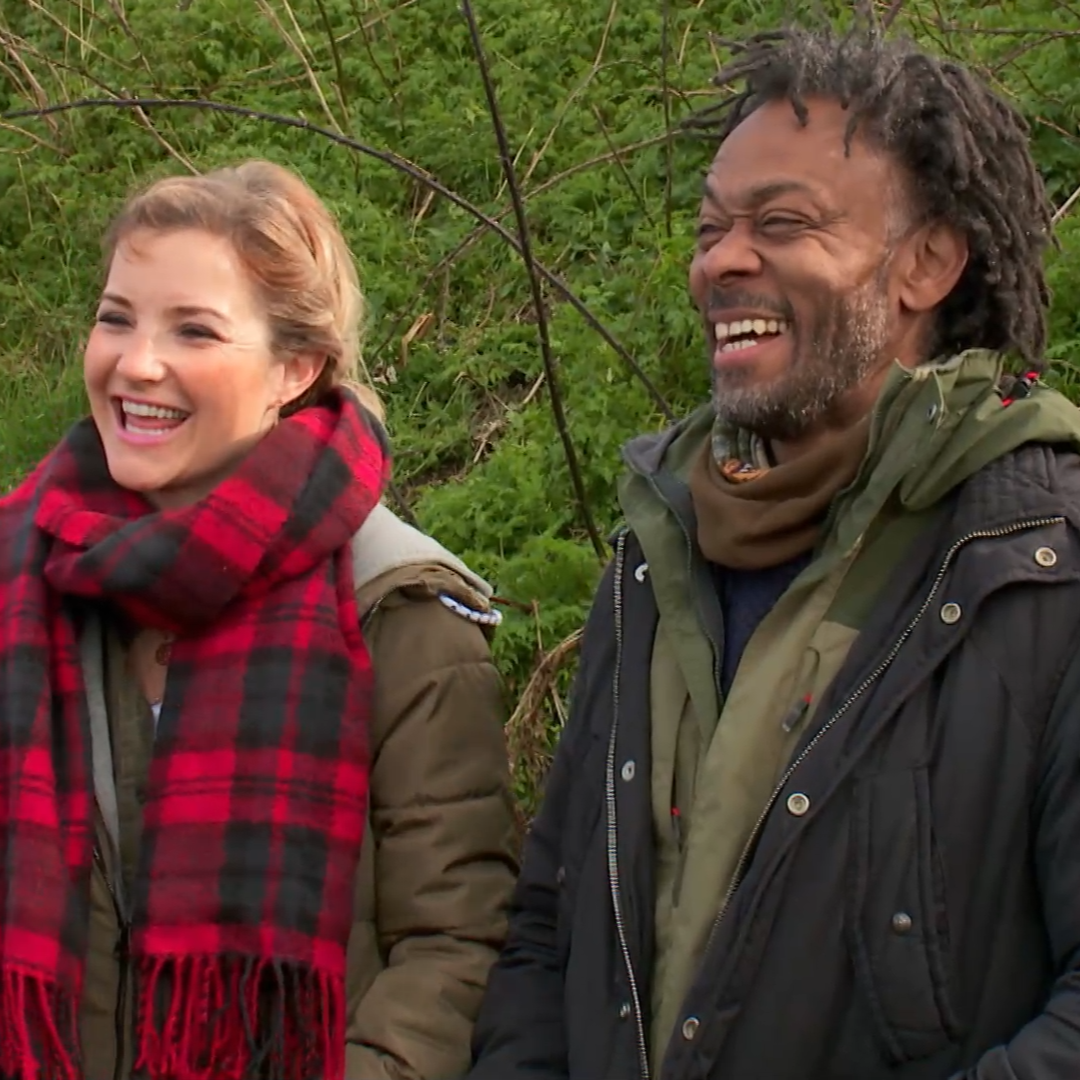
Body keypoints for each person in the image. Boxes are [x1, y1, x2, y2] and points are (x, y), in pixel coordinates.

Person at [467, 22, 1080, 1080]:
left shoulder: (1036, 567)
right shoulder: (655, 556)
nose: (722, 260)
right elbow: (547, 932)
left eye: (783, 223)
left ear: (927, 262)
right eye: (711, 229)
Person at [0, 159, 518, 1080]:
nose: (136, 363)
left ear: (295, 367)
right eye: (116, 317)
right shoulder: (23, 574)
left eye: (193, 330)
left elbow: (454, 946)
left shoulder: (397, 611)